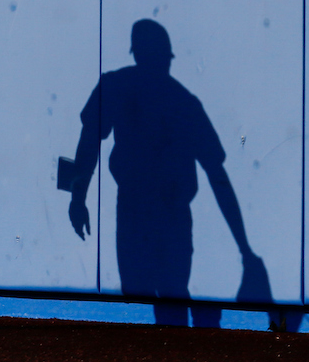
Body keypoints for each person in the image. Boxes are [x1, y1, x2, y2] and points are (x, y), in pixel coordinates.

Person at [62, 19, 267, 327]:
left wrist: (77, 198)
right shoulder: (178, 100)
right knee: (158, 300)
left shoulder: (128, 87)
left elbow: (89, 139)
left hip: (151, 213)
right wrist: (245, 250)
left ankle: (180, 354)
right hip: (154, 213)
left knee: (153, 301)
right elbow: (217, 175)